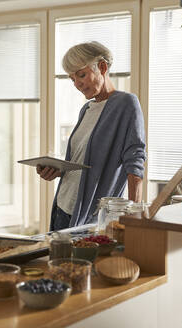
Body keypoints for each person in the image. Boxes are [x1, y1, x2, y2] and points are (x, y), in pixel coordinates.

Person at [37, 41, 146, 231]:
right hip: (63, 206)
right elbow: (85, 162)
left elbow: (135, 162)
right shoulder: (86, 109)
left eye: (81, 75)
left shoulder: (126, 103)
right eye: (72, 79)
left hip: (90, 215)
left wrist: (133, 217)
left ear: (102, 67)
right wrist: (58, 170)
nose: (77, 84)